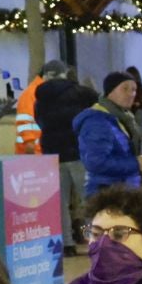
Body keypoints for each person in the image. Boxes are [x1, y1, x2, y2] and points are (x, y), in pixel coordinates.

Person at [33, 66, 97, 251]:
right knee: (88, 201)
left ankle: (66, 243)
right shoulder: (82, 93)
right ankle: (91, 239)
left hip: (52, 153)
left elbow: (40, 122)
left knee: (60, 203)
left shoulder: (41, 98)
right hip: (78, 153)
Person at [74, 71, 142, 196]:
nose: (131, 94)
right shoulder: (97, 121)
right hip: (107, 194)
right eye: (125, 89)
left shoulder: (123, 118)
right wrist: (136, 163)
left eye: (134, 90)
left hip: (123, 191)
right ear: (110, 91)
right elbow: (96, 162)